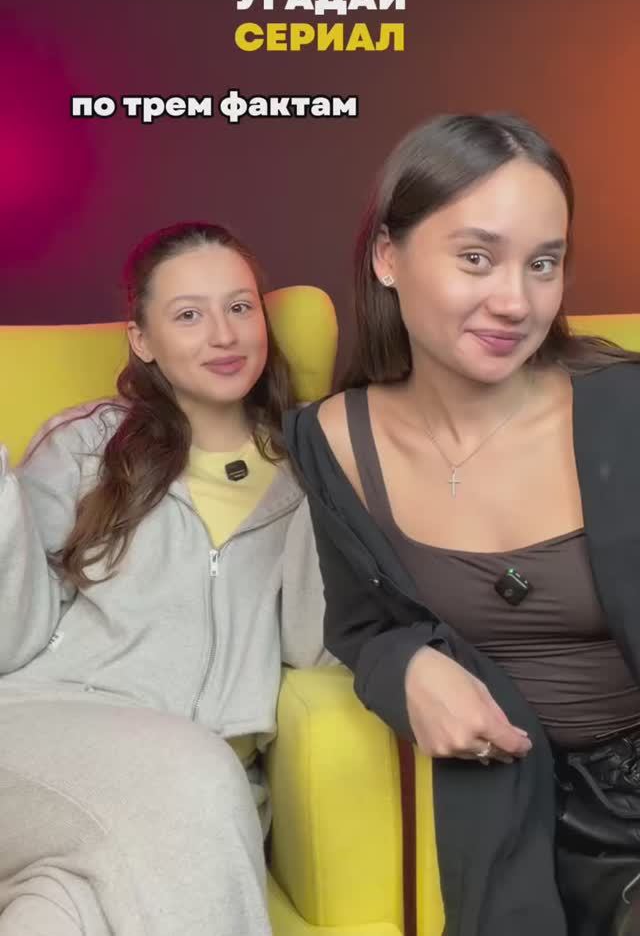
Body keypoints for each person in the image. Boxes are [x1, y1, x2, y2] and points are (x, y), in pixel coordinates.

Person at [285, 113, 640, 936]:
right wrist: (406, 665)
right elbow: (362, 624)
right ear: (387, 257)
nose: (515, 302)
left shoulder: (624, 407)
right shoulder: (333, 441)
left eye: (543, 263)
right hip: (515, 814)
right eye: (476, 258)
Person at [0, 221, 329, 936]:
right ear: (142, 340)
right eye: (188, 315)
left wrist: (342, 480)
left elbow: (313, 643)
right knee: (194, 773)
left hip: (193, 786)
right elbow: (9, 637)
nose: (224, 334)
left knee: (55, 919)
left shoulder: (315, 461)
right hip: (38, 733)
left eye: (239, 307)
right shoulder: (86, 445)